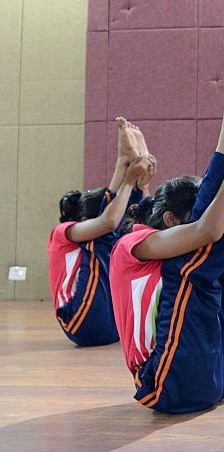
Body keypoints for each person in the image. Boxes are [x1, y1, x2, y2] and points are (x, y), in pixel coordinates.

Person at [110, 76, 224, 413]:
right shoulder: (131, 245)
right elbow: (207, 230)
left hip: (214, 374)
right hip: (166, 383)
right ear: (169, 220)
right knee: (195, 262)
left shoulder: (158, 243)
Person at [47, 118, 154, 346]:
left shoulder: (92, 239)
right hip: (81, 321)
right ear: (83, 217)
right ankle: (125, 163)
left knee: (130, 233)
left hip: (113, 324)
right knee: (105, 236)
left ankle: (129, 164)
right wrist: (127, 179)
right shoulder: (62, 232)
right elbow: (106, 223)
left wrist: (142, 185)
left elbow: (140, 225)